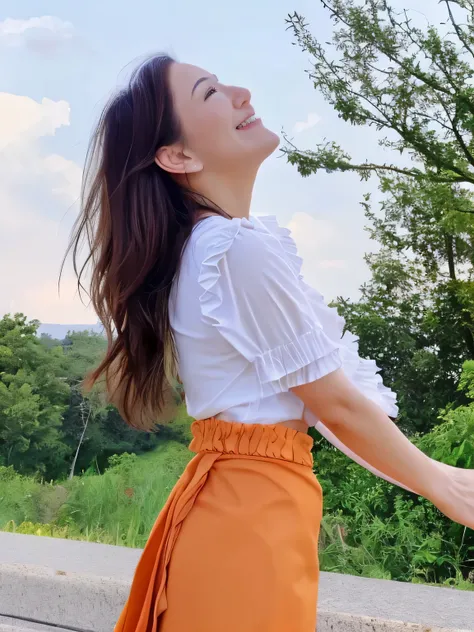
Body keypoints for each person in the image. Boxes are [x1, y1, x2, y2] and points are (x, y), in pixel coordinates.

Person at [66, 54, 474, 632]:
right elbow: (334, 402)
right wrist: (444, 483)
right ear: (178, 156)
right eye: (210, 93)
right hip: (247, 523)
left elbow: (331, 408)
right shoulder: (234, 251)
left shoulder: (210, 250)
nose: (241, 92)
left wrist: (433, 478)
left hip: (243, 510)